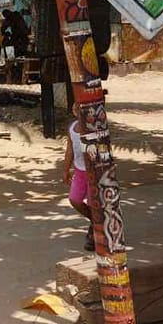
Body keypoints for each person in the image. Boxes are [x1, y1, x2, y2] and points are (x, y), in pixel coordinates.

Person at [63, 104, 95, 251]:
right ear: (74, 111)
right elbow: (70, 150)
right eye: (77, 110)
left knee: (93, 202)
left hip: (93, 173)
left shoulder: (93, 128)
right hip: (79, 171)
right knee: (74, 200)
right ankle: (95, 222)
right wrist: (66, 170)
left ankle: (95, 230)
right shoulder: (72, 129)